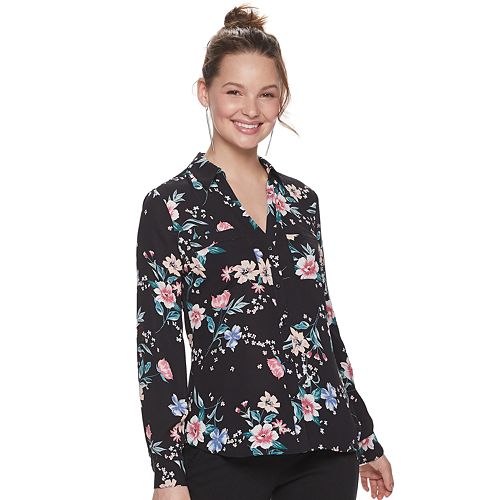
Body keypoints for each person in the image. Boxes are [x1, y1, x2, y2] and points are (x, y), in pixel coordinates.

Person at [136, 4, 394, 500]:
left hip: (324, 448)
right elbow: (158, 347)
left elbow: (322, 326)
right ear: (204, 91)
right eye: (234, 91)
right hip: (224, 452)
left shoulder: (301, 201)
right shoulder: (170, 205)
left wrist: (365, 437)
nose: (250, 110)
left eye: (266, 94)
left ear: (281, 101)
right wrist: (168, 475)